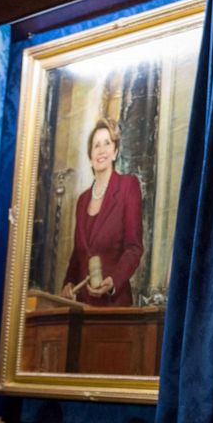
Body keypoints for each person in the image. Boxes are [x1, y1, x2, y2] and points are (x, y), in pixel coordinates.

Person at [61, 118, 142, 307]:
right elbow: (78, 255)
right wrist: (68, 284)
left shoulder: (128, 186)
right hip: (82, 308)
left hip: (114, 306)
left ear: (115, 152)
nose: (102, 150)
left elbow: (134, 248)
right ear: (90, 157)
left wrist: (113, 280)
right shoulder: (82, 200)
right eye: (96, 145)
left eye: (107, 143)